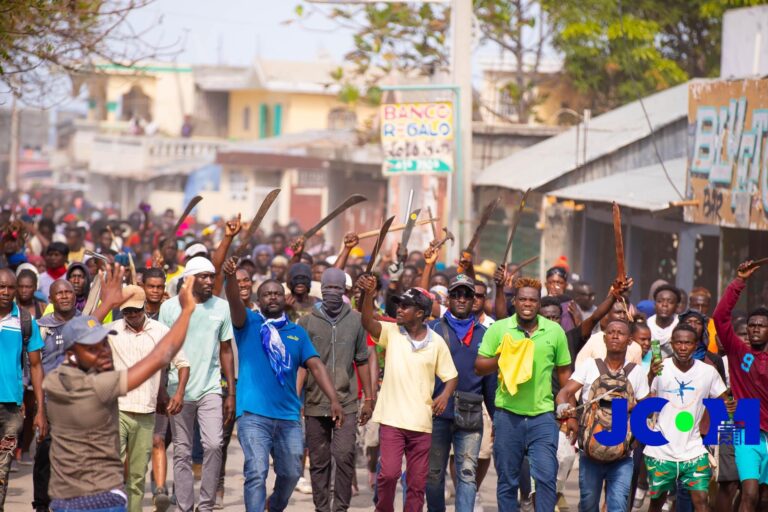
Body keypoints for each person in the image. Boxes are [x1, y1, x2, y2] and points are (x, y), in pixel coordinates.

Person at [43, 265, 196, 512]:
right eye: (93, 349)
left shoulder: (56, 380)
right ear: (72, 354)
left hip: (66, 501)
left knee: (136, 475)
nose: (104, 351)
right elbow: (160, 356)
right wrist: (187, 312)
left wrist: (107, 304)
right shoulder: (97, 387)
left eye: (104, 344)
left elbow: (82, 333)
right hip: (98, 503)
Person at [222, 257, 343, 512]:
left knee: (291, 473)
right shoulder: (247, 323)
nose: (273, 297)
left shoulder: (297, 332)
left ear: (284, 297)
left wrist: (334, 399)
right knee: (256, 471)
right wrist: (230, 277)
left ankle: (274, 506)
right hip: (253, 415)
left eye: (277, 293)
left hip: (288, 417)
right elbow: (233, 300)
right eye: (267, 294)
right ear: (259, 299)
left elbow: (316, 366)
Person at [358, 275, 458, 512]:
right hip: (392, 420)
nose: (399, 310)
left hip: (421, 424)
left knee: (416, 483)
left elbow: (451, 376)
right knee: (389, 474)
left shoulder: (436, 342)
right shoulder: (392, 332)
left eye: (405, 306)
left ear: (420, 313)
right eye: (399, 305)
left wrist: (444, 396)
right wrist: (369, 294)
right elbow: (368, 322)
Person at [475, 277, 572, 512]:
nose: (527, 304)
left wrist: (570, 413)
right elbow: (479, 366)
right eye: (523, 299)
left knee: (546, 478)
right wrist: (503, 357)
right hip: (508, 416)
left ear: (539, 303)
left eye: (533, 300)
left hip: (543, 417)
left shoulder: (555, 331)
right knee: (508, 481)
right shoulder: (499, 329)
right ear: (515, 302)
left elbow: (564, 373)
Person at [159, 257, 235, 512]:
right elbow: (163, 351)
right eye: (203, 276)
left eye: (211, 276)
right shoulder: (169, 308)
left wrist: (230, 393)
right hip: (176, 390)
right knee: (182, 451)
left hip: (210, 388)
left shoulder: (221, 307)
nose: (209, 281)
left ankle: (206, 505)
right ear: (189, 279)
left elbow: (226, 349)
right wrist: (161, 391)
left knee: (214, 444)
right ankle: (184, 506)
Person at [297, 267, 373, 511]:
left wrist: (369, 398)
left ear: (344, 291)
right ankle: (322, 507)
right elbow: (301, 366)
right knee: (318, 461)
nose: (332, 292)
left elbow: (362, 360)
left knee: (344, 455)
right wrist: (296, 399)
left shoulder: (356, 321)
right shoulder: (306, 322)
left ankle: (340, 507)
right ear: (321, 289)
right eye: (328, 287)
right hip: (315, 402)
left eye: (337, 288)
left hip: (347, 401)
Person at [108, 285, 190, 512]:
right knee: (113, 472)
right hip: (118, 409)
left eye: (135, 310)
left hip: (146, 413)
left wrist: (179, 393)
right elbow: (85, 330)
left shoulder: (161, 331)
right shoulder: (112, 331)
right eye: (127, 311)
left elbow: (183, 363)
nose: (131, 315)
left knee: (137, 476)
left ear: (144, 306)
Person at [556, 319, 650, 512]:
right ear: (604, 338)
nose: (615, 336)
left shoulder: (637, 372)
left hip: (623, 454)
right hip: (590, 451)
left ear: (629, 341)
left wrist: (633, 408)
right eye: (611, 332)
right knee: (588, 505)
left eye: (620, 333)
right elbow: (565, 392)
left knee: (617, 505)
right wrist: (568, 413)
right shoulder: (589, 366)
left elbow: (647, 408)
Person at [425, 274, 497, 512]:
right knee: (434, 473)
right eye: (456, 294)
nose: (462, 299)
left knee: (467, 474)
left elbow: (490, 382)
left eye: (467, 294)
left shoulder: (485, 334)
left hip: (471, 414)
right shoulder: (433, 330)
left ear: (475, 300)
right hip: (437, 414)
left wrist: (496, 419)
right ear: (448, 299)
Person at [644, 324, 727, 512]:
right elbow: (646, 403)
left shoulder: (708, 372)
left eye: (688, 343)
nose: (683, 347)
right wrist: (650, 375)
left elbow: (725, 401)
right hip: (661, 450)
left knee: (701, 501)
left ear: (695, 345)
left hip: (693, 449)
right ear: (672, 343)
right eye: (679, 343)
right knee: (657, 503)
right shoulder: (660, 368)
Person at [712, 259, 768, 511]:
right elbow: (720, 317)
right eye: (751, 325)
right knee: (737, 487)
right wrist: (739, 282)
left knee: (763, 497)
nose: (754, 330)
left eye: (761, 326)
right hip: (742, 422)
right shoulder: (738, 352)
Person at [0, 268, 46, 511]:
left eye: (10, 287)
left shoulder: (25, 322)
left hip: (11, 410)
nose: (5, 292)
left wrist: (40, 410)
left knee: (2, 470)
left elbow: (36, 367)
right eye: (1, 287)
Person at [648, 284, 681, 357]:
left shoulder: (681, 325)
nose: (664, 305)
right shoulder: (647, 325)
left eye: (670, 302)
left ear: (677, 306)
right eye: (660, 301)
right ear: (654, 304)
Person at [545, 266, 576, 331]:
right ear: (546, 284)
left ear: (566, 285)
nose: (555, 286)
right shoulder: (540, 304)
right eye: (551, 282)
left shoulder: (571, 305)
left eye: (559, 283)